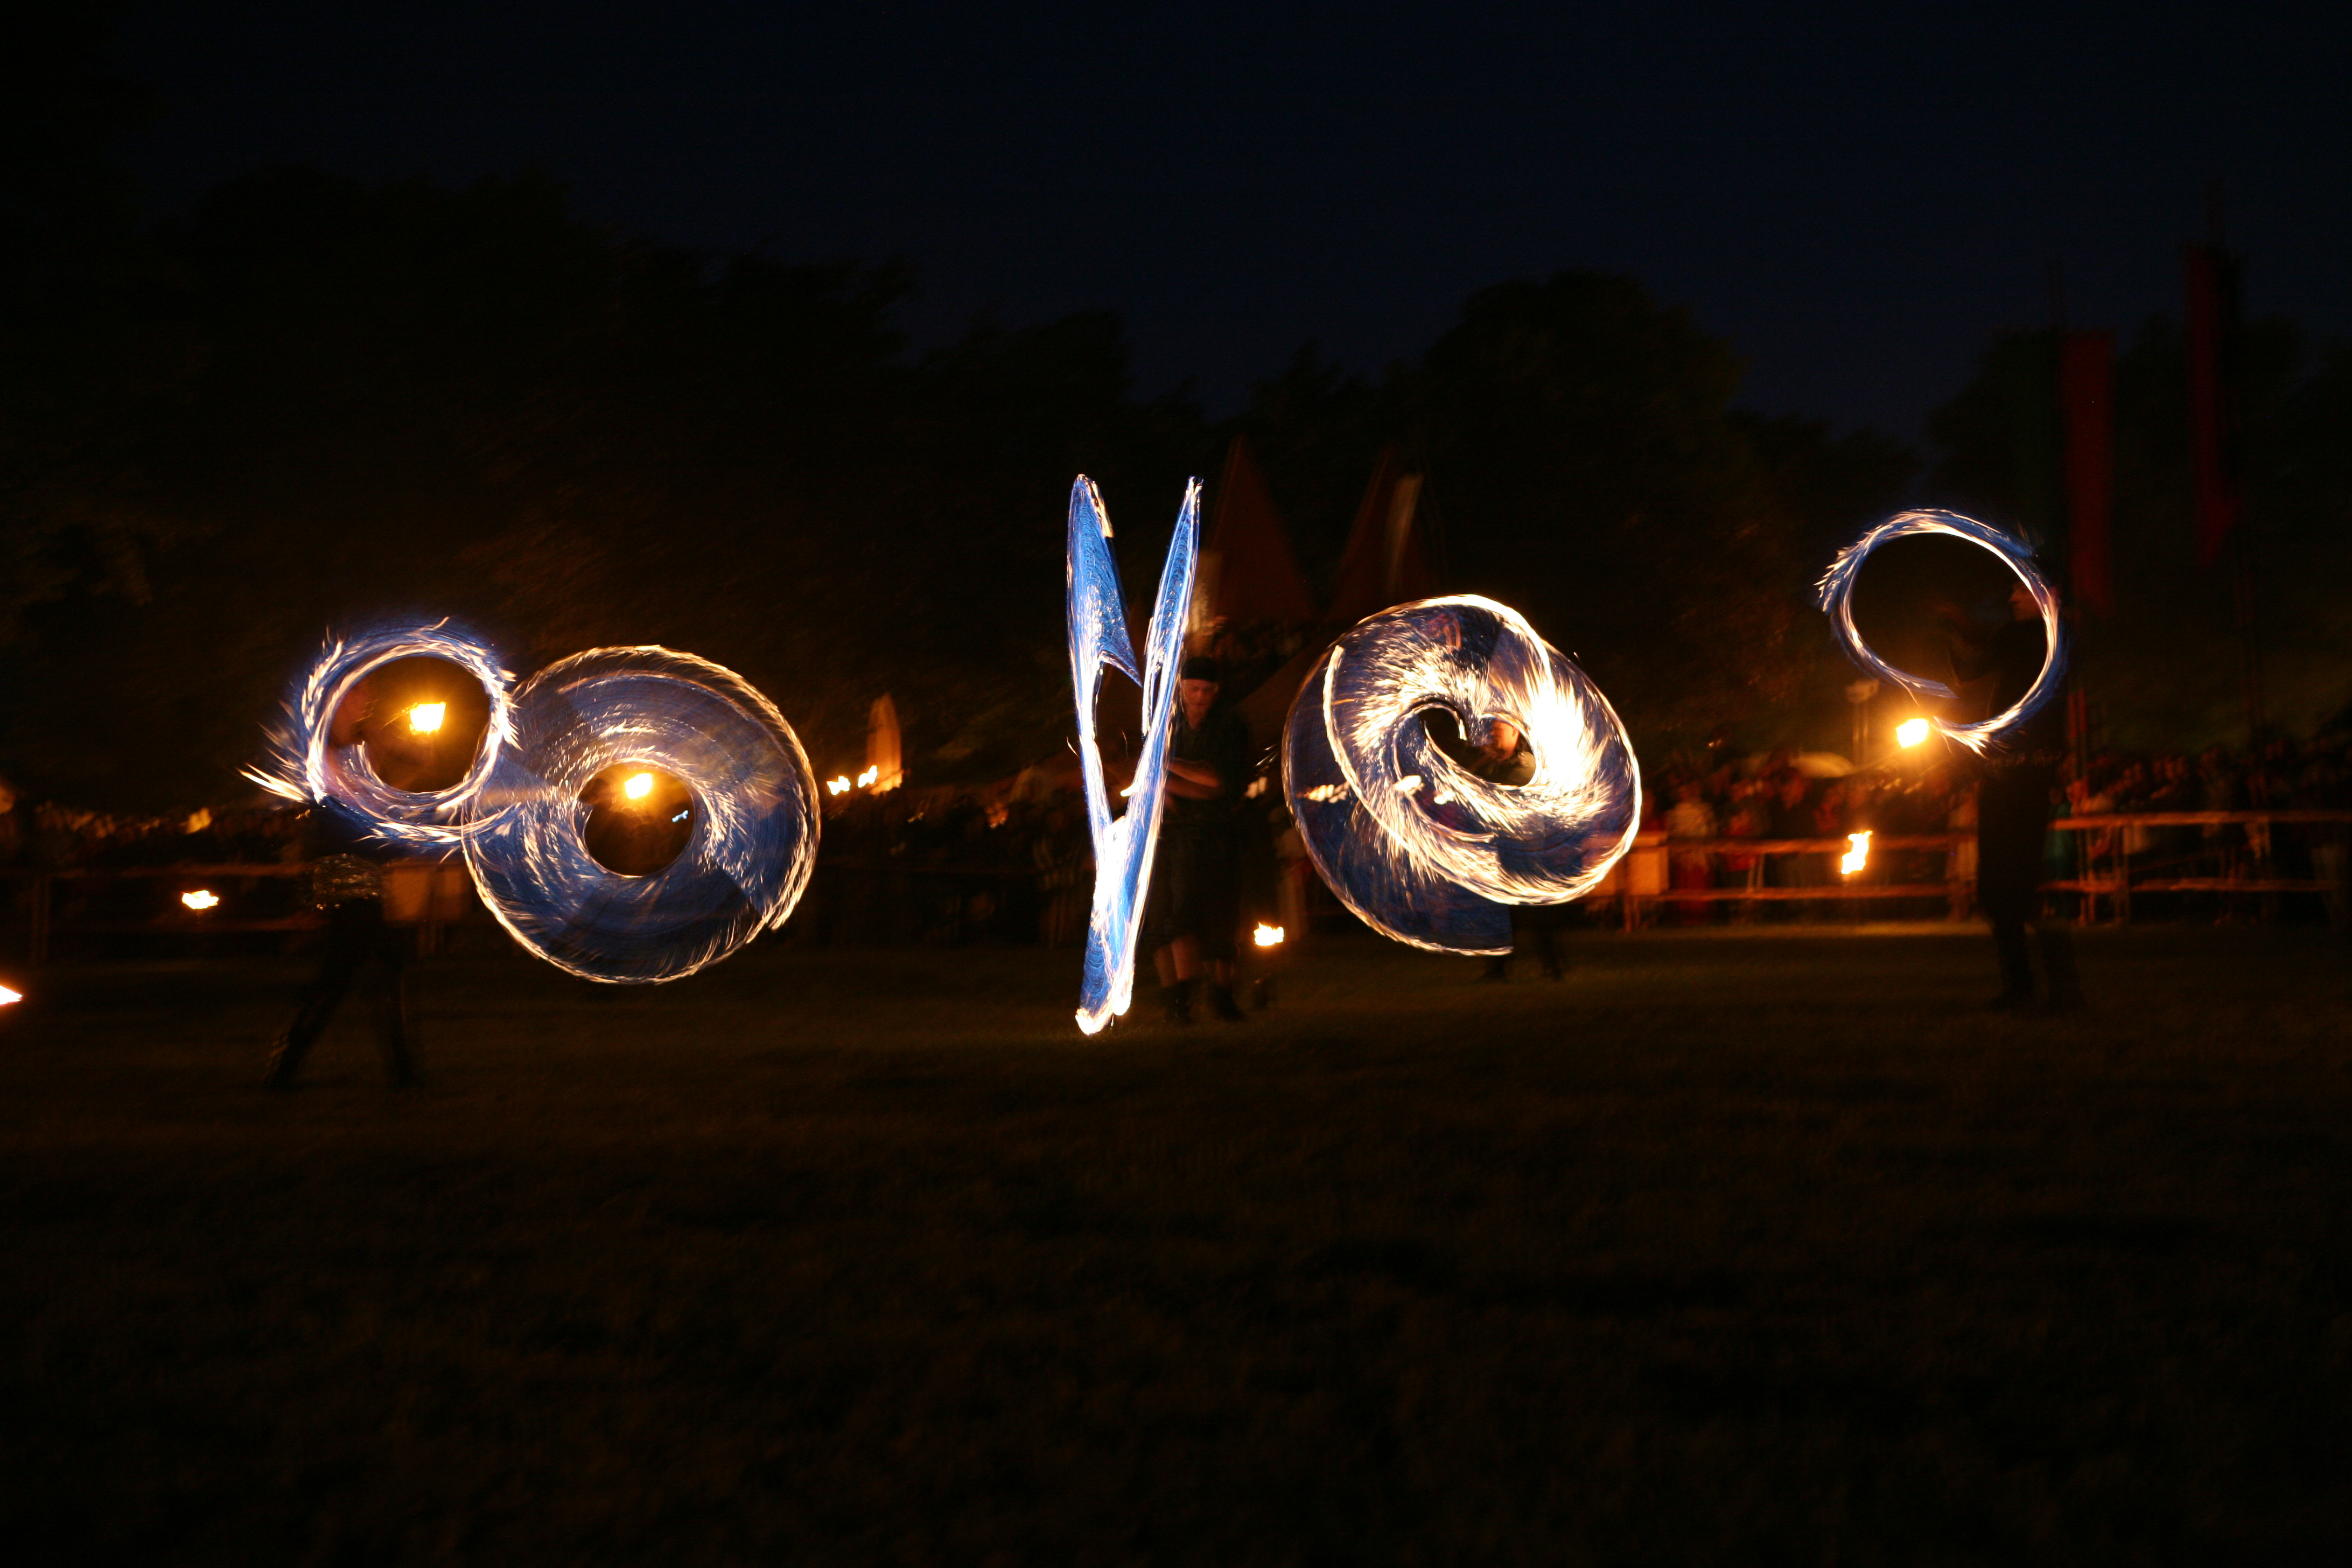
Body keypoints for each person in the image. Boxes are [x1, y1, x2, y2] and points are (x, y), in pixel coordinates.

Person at [263, 677, 425, 1087]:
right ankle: (400, 1068)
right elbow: (352, 805)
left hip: (364, 871)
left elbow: (382, 796)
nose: (369, 698)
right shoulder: (325, 749)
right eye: (361, 690)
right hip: (341, 872)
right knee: (366, 967)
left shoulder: (356, 749)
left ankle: (290, 1060)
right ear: (342, 696)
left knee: (355, 970)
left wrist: (407, 759)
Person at [1940, 579, 2083, 1011]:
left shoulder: (2051, 637)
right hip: (2007, 773)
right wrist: (1960, 629)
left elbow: (1973, 668)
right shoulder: (2030, 636)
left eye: (2022, 590)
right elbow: (1971, 670)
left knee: (2013, 886)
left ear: (2049, 593)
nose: (2011, 598)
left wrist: (1962, 630)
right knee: (2000, 888)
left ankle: (2047, 988)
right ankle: (2031, 986)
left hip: (2024, 773)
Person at [1144, 655, 1251, 1023]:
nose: (1201, 697)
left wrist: (1165, 768)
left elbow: (1217, 781)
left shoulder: (1229, 725)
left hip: (1218, 833)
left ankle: (1222, 998)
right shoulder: (1169, 722)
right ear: (1182, 689)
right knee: (1172, 918)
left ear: (1216, 691)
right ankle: (1180, 1000)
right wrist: (1165, 784)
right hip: (1173, 834)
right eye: (1194, 690)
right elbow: (1153, 782)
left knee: (1221, 918)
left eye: (1207, 690)